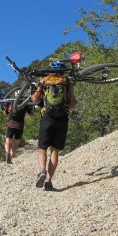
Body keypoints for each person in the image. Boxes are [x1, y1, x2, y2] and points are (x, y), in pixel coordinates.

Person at [31, 62, 77, 191]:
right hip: (62, 118)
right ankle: (48, 181)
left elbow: (35, 100)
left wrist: (35, 94)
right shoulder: (67, 81)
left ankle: (42, 170)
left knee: (42, 148)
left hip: (47, 117)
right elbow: (72, 103)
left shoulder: (44, 79)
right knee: (55, 151)